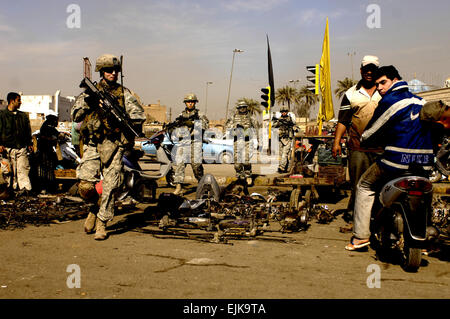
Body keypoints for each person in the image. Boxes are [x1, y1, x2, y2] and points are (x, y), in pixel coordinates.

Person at [345, 65, 434, 251]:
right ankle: (426, 236)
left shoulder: (390, 100)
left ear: (395, 80)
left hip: (395, 162)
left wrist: (368, 140)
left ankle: (360, 236)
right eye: (377, 85)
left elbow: (370, 133)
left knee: (364, 186)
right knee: (426, 193)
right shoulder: (421, 100)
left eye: (383, 82)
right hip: (424, 164)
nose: (379, 88)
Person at [71, 54, 145, 240]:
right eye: (108, 70)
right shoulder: (89, 93)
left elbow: (138, 115)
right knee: (85, 185)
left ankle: (102, 223)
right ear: (101, 72)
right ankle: (94, 208)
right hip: (93, 143)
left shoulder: (124, 94)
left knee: (111, 185)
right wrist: (91, 103)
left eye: (115, 70)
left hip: (114, 145)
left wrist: (126, 121)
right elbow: (75, 115)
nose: (112, 73)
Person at [332, 55, 382, 222]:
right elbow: (343, 121)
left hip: (382, 148)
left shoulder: (385, 90)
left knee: (381, 184)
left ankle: (378, 217)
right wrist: (336, 142)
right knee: (358, 184)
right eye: (366, 69)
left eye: (373, 69)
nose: (369, 72)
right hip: (358, 148)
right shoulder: (351, 93)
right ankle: (355, 216)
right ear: (361, 71)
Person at [170, 93, 209, 195]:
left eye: (192, 102)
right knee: (179, 164)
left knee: (196, 165)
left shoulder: (200, 114)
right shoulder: (180, 116)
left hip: (195, 142)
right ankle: (179, 187)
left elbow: (205, 126)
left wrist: (193, 124)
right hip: (183, 142)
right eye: (188, 102)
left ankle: (202, 184)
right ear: (185, 103)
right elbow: (175, 129)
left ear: (195, 103)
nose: (190, 103)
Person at [0, 92, 33, 196]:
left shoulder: (23, 116)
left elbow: (28, 131)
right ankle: (7, 190)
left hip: (21, 148)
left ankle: (25, 190)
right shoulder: (2, 115)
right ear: (12, 101)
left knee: (23, 169)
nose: (20, 102)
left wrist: (29, 143)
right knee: (7, 171)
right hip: (6, 149)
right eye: (18, 100)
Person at [226, 101, 258, 185]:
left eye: (244, 107)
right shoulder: (233, 117)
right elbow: (227, 127)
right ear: (238, 108)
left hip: (248, 141)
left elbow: (256, 128)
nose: (242, 109)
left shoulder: (251, 117)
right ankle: (240, 176)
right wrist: (235, 127)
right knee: (237, 163)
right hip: (237, 141)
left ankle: (248, 176)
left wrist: (257, 140)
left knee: (246, 161)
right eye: (240, 107)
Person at [36, 110, 59, 193]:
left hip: (43, 151)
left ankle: (45, 188)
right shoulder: (48, 127)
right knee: (47, 170)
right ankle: (48, 188)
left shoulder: (45, 126)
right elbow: (55, 135)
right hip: (45, 152)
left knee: (44, 170)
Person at [272, 106, 296, 173]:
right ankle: (284, 167)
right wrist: (278, 122)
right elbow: (273, 126)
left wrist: (294, 128)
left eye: (285, 112)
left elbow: (295, 126)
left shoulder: (290, 119)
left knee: (284, 154)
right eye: (282, 112)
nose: (284, 113)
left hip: (288, 138)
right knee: (281, 154)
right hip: (280, 138)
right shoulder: (279, 119)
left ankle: (281, 167)